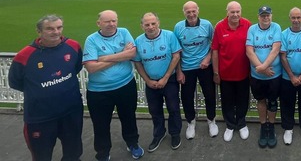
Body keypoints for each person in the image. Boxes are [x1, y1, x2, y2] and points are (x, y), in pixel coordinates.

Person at [8, 15, 84, 161]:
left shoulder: (73, 46)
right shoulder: (25, 55)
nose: (55, 32)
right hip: (40, 117)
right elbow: (15, 82)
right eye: (49, 28)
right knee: (42, 156)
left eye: (59, 27)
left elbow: (76, 67)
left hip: (71, 112)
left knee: (73, 152)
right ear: (39, 31)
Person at [83, 10, 144, 161]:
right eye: (107, 21)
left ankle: (133, 143)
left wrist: (104, 58)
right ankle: (103, 153)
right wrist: (121, 55)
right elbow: (91, 68)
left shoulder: (123, 32)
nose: (111, 24)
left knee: (129, 117)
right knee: (101, 124)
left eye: (114, 21)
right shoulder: (91, 40)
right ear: (99, 23)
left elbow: (132, 54)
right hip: (99, 91)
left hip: (125, 85)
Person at [133, 12, 183, 152]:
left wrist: (166, 77)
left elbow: (176, 56)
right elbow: (138, 63)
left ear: (158, 23)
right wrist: (147, 80)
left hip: (169, 79)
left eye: (153, 23)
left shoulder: (169, 35)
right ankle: (158, 134)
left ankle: (175, 133)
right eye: (147, 24)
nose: (150, 27)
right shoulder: (139, 40)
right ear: (142, 26)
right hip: (151, 82)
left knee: (173, 108)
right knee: (155, 110)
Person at [173, 1, 218, 140]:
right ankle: (191, 122)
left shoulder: (206, 25)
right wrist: (179, 71)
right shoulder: (179, 27)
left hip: (204, 66)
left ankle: (211, 121)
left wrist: (207, 58)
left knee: (209, 94)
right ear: (184, 12)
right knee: (186, 97)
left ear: (198, 10)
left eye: (193, 11)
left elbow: (214, 44)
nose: (191, 14)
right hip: (187, 68)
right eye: (188, 12)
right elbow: (176, 51)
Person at [211, 1, 252, 142]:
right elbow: (215, 51)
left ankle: (241, 124)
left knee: (242, 99)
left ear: (241, 11)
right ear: (227, 12)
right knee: (227, 101)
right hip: (226, 73)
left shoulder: (247, 24)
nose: (235, 14)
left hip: (244, 72)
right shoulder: (220, 27)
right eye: (232, 12)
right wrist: (216, 72)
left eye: (238, 11)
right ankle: (230, 125)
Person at [246, 6, 282, 148]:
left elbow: (275, 49)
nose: (265, 18)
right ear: (258, 16)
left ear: (271, 16)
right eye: (263, 15)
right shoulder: (252, 29)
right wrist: (261, 69)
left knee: (272, 101)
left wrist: (264, 67)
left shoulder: (276, 27)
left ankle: (271, 126)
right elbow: (250, 51)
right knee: (260, 100)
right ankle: (263, 126)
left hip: (274, 75)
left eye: (268, 15)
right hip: (257, 75)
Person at [279, 7, 301, 146]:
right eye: (293, 18)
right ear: (289, 18)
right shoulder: (284, 34)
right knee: (287, 103)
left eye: (298, 17)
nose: (296, 20)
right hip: (288, 78)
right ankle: (288, 128)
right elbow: (283, 56)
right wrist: (292, 76)